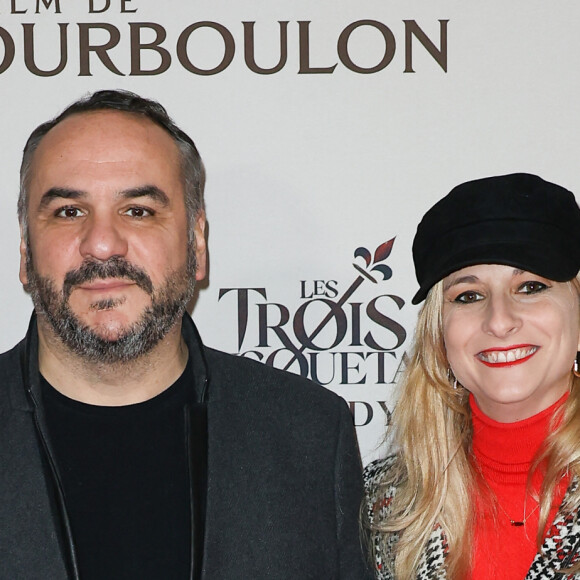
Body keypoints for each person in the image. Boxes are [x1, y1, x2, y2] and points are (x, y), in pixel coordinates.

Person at [0, 89, 371, 580]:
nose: (102, 243)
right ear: (26, 253)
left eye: (139, 209)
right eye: (69, 211)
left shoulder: (307, 432)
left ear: (197, 242)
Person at [364, 173, 580, 579]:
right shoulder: (382, 506)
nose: (499, 321)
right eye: (469, 295)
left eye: (531, 286)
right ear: (439, 333)